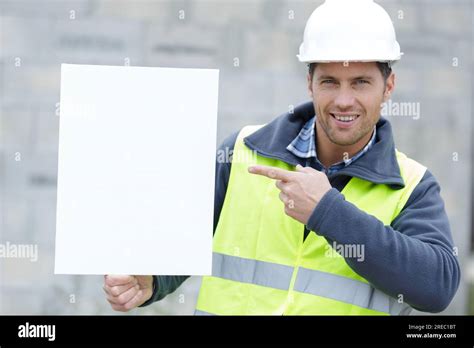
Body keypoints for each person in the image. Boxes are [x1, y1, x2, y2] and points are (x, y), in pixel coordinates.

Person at [103, 0, 460, 315]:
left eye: (361, 82)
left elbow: (436, 287)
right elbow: (184, 240)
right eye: (330, 81)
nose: (344, 100)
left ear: (389, 86)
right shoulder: (243, 149)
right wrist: (152, 278)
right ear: (310, 84)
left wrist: (328, 212)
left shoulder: (411, 185)